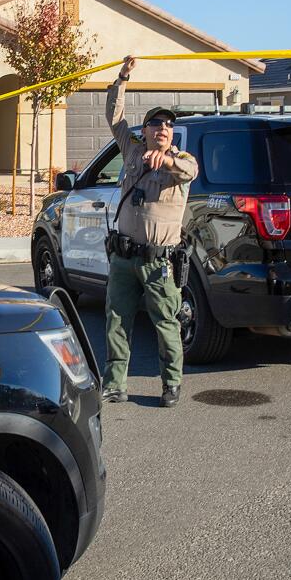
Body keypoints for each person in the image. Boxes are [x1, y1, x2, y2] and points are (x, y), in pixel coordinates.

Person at [102, 56, 199, 408]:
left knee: (165, 325)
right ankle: (114, 384)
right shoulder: (132, 151)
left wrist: (169, 160)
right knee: (116, 321)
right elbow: (114, 117)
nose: (162, 129)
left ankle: (171, 384)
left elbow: (190, 170)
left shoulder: (179, 160)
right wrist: (122, 78)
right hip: (124, 258)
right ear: (143, 130)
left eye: (168, 126)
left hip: (159, 264)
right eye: (156, 124)